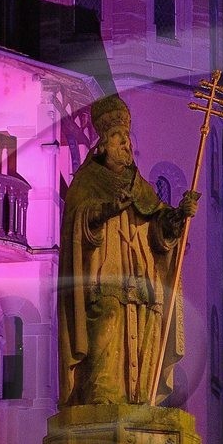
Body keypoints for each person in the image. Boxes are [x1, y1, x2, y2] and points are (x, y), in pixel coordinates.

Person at [58, 93, 200, 407]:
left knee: (148, 327)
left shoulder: (140, 185)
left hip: (141, 278)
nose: (126, 145)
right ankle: (101, 398)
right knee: (107, 319)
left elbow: (159, 225)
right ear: (103, 145)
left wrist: (178, 215)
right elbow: (78, 223)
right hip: (103, 277)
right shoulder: (87, 181)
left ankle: (138, 401)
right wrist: (107, 209)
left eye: (127, 140)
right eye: (119, 139)